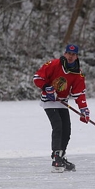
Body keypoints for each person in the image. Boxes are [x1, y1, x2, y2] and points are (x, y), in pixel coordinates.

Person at [33, 44, 90, 173]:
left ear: (76, 56)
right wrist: (47, 87)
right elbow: (37, 78)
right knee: (58, 126)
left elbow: (79, 93)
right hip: (49, 101)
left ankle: (62, 156)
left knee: (67, 130)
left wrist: (84, 109)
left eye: (73, 54)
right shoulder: (53, 64)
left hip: (62, 102)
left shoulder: (77, 73)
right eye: (68, 54)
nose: (70, 57)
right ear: (65, 54)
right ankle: (56, 157)